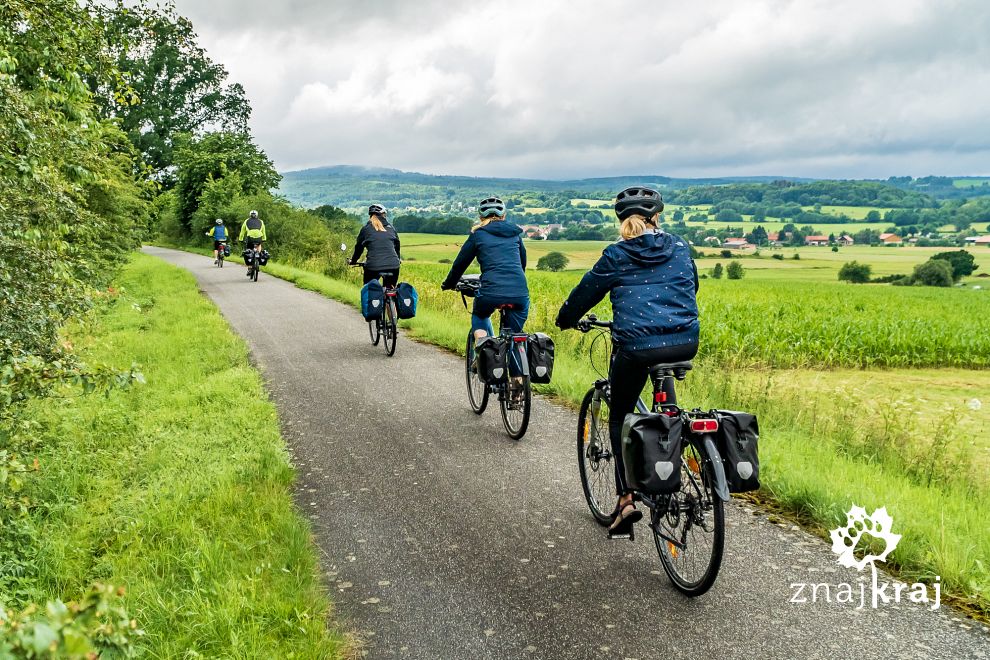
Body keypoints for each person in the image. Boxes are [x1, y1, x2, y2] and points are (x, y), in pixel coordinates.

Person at [554, 186, 699, 537]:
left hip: (637, 346)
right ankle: (673, 452)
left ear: (622, 220)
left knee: (620, 415)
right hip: (684, 341)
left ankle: (626, 499)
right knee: (666, 408)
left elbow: (586, 292)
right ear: (657, 217)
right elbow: (692, 286)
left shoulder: (616, 254)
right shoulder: (679, 245)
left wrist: (566, 318)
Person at [441, 197, 529, 386]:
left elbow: (460, 264)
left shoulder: (478, 235)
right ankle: (517, 383)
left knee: (480, 314)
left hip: (490, 291)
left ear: (480, 216)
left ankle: (482, 348)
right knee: (514, 335)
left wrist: (449, 284)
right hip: (519, 291)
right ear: (504, 215)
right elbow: (522, 264)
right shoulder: (515, 235)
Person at [349, 204, 401, 287]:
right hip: (393, 266)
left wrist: (353, 260)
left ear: (370, 216)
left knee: (370, 290)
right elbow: (397, 246)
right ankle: (392, 299)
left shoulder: (365, 229)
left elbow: (359, 248)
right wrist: (398, 259)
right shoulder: (391, 228)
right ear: (384, 215)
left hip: (373, 266)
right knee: (391, 289)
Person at [238, 210, 267, 277]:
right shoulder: (261, 221)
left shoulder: (246, 221)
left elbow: (242, 231)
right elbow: (263, 231)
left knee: (248, 250)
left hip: (250, 238)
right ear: (257, 215)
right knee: (259, 245)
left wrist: (241, 239)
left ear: (250, 215)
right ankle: (258, 255)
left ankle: (250, 268)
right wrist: (264, 239)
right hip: (259, 237)